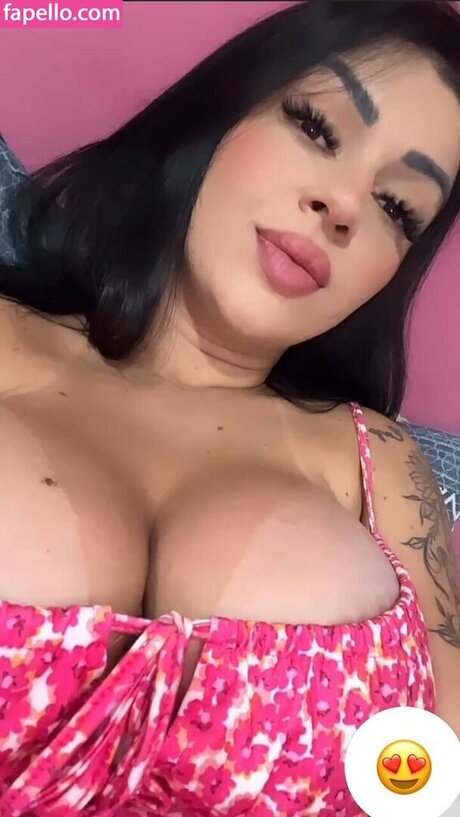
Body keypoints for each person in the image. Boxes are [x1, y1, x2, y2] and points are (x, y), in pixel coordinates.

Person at [0, 0, 459, 814]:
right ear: (219, 112)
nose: (344, 206)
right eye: (317, 127)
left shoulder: (382, 463)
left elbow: (444, 774)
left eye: (398, 209)